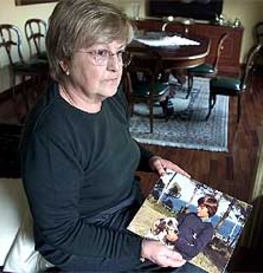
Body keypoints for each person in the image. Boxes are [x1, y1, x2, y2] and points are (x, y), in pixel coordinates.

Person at [20, 1, 206, 272]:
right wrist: (140, 248)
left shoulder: (109, 95)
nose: (116, 67)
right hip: (81, 236)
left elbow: (116, 142)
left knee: (198, 255)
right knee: (189, 268)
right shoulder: (50, 135)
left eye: (119, 53)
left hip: (126, 208)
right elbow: (60, 233)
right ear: (64, 60)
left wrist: (151, 159)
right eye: (100, 53)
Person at [167, 195, 218, 260]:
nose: (197, 208)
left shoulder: (208, 229)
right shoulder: (190, 215)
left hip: (181, 256)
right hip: (168, 244)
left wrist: (176, 240)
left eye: (201, 208)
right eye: (198, 206)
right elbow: (175, 223)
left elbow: (194, 251)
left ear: (210, 210)